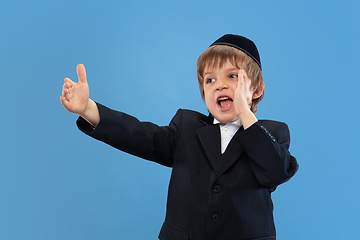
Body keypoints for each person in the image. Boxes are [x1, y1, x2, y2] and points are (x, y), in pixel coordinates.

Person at [60, 34, 299, 240]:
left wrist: (245, 114)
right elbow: (140, 135)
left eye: (233, 76)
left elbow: (276, 172)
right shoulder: (187, 126)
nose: (220, 85)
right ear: (204, 92)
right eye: (210, 80)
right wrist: (87, 108)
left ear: (256, 90)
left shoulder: (274, 132)